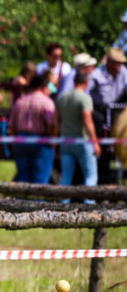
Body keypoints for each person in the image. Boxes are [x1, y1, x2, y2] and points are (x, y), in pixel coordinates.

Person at [56, 70, 102, 200]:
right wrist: (95, 142)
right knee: (90, 176)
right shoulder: (85, 98)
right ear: (86, 83)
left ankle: (61, 208)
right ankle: (89, 207)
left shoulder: (62, 97)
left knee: (65, 178)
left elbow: (55, 121)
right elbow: (88, 121)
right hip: (83, 142)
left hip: (65, 141)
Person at [86, 47, 127, 183]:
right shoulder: (96, 74)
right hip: (100, 113)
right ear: (109, 62)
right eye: (117, 63)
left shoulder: (124, 73)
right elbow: (86, 93)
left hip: (117, 112)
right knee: (99, 124)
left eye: (122, 63)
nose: (120, 66)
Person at [8, 73, 57, 184]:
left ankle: (19, 201)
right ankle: (37, 201)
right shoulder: (47, 102)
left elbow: (11, 125)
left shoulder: (20, 101)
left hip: (20, 141)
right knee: (40, 179)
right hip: (41, 142)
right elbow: (51, 125)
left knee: (22, 178)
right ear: (44, 86)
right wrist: (53, 140)